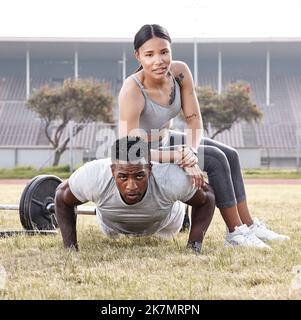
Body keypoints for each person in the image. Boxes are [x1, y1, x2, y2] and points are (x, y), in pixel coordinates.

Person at [118, 24, 289, 249]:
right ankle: (235, 233)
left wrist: (190, 152)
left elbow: (194, 119)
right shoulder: (132, 89)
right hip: (144, 155)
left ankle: (248, 225)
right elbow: (128, 148)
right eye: (149, 54)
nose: (158, 60)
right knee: (216, 159)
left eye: (164, 52)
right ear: (138, 56)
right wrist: (178, 156)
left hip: (169, 139)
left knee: (231, 154)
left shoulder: (179, 73)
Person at [55, 136, 215, 253]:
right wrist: (70, 248)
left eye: (139, 176)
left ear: (150, 169)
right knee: (110, 231)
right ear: (112, 171)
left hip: (165, 225)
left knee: (178, 199)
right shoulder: (93, 175)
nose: (131, 186)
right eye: (123, 177)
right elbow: (62, 197)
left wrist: (194, 246)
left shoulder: (169, 176)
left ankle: (181, 207)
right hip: (112, 226)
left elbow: (207, 197)